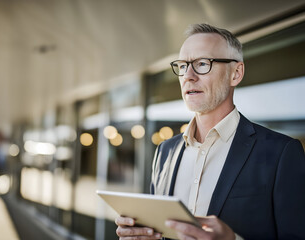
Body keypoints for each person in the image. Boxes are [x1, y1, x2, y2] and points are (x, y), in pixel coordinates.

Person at [115, 23, 305, 240]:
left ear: (236, 73)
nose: (188, 75)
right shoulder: (164, 152)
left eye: (202, 64)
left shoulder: (281, 153)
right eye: (183, 65)